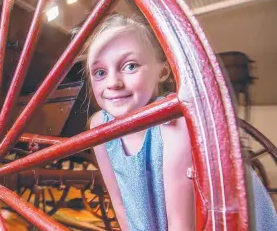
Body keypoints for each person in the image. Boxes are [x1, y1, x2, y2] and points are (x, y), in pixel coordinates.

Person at [86, 14, 277, 231]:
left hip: (224, 218)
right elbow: (120, 204)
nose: (113, 83)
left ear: (163, 71)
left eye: (130, 66)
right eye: (100, 72)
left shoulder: (174, 123)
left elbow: (181, 223)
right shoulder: (99, 124)